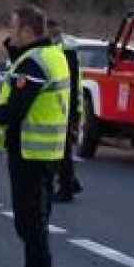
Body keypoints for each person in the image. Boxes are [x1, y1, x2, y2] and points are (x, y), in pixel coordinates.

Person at [0, 5, 71, 267]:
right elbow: (16, 65)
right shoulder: (49, 55)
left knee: (31, 225)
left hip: (31, 153)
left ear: (28, 32)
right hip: (42, 152)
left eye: (14, 28)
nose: (10, 33)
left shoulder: (35, 63)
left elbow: (16, 109)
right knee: (32, 223)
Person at [48, 19, 84, 203]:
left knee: (62, 151)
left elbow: (68, 84)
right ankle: (71, 182)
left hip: (65, 107)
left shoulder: (63, 51)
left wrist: (71, 114)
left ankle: (66, 189)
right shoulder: (65, 48)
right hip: (68, 106)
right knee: (62, 149)